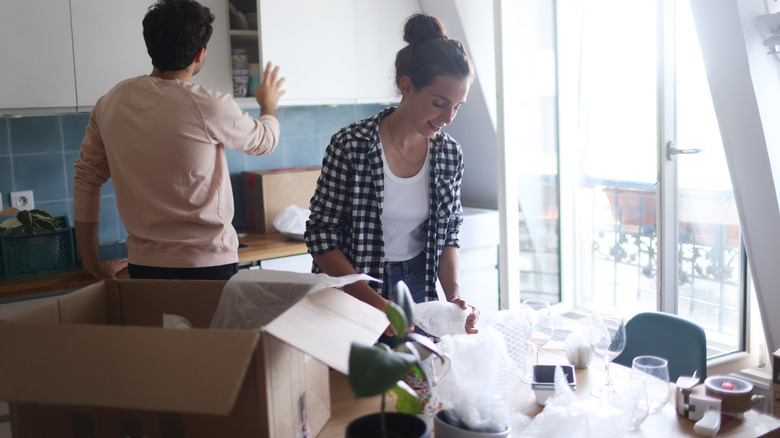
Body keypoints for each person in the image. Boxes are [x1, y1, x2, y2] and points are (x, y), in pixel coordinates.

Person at [73, 0, 285, 281]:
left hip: (144, 266)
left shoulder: (111, 102)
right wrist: (268, 104)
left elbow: (87, 179)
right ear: (200, 54)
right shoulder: (208, 104)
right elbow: (265, 140)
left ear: (150, 46)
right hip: (209, 264)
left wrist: (93, 264)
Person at [305, 13, 478, 334]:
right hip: (354, 285)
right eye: (440, 103)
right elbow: (321, 236)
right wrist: (376, 304)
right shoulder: (352, 145)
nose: (448, 118)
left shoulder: (449, 154)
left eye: (457, 106)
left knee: (417, 380)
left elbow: (448, 235)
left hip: (416, 285)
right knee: (356, 382)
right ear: (406, 86)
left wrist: (454, 297)